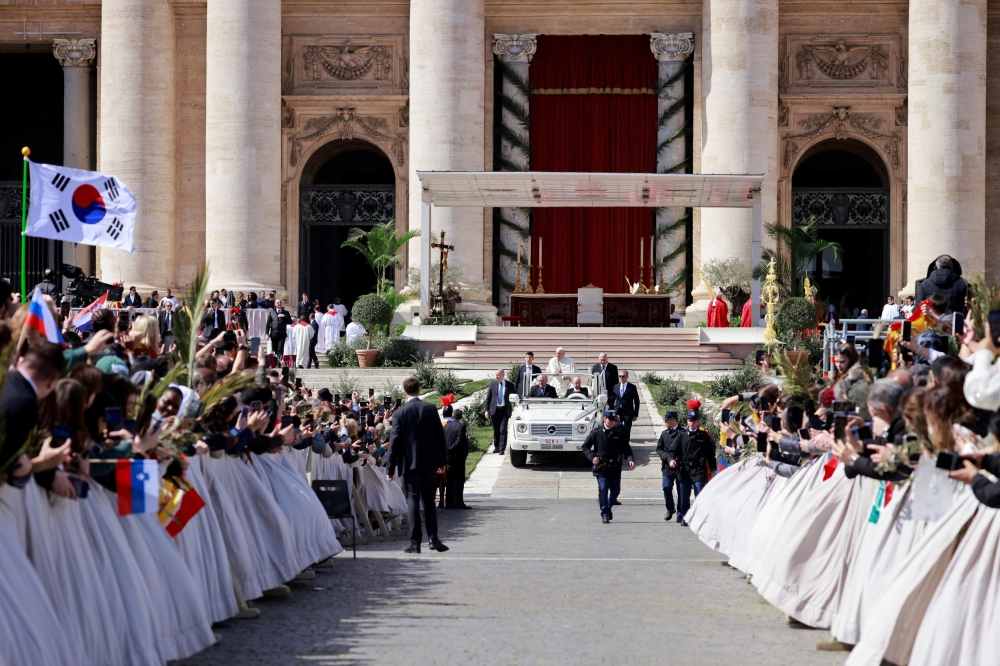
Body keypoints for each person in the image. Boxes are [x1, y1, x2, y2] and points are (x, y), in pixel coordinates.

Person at [387, 377, 449, 553]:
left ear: (404, 392)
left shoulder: (400, 413)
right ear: (419, 390)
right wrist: (442, 461)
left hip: (409, 462)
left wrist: (390, 469)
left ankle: (415, 542)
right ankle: (433, 539)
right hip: (429, 462)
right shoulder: (430, 408)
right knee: (429, 500)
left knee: (412, 500)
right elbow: (440, 437)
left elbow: (395, 442)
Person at [581, 409, 635, 523]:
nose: (612, 422)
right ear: (604, 419)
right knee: (604, 489)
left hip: (614, 466)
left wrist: (630, 459)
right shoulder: (597, 432)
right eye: (610, 420)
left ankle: (608, 507)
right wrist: (592, 457)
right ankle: (605, 513)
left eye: (614, 420)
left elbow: (626, 448)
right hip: (601, 466)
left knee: (616, 491)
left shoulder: (618, 432)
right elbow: (585, 447)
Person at [675, 399, 715, 526]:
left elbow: (710, 454)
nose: (691, 423)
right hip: (685, 470)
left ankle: (699, 517)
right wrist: (671, 460)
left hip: (698, 469)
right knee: (684, 496)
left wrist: (713, 470)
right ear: (687, 421)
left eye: (694, 421)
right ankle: (686, 517)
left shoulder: (704, 436)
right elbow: (673, 450)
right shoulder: (681, 435)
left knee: (699, 493)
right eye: (689, 420)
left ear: (698, 421)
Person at [655, 410, 681, 521]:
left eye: (667, 420)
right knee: (666, 487)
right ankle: (670, 509)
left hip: (680, 466)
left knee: (681, 490)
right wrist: (666, 457)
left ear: (673, 420)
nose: (665, 422)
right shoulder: (664, 434)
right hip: (667, 466)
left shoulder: (683, 433)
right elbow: (659, 449)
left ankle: (680, 512)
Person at [444, 408, 471, 509]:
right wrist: (451, 451)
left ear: (452, 416)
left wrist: (446, 452)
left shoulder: (446, 427)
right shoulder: (461, 426)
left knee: (450, 480)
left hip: (448, 458)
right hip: (457, 457)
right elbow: (459, 441)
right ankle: (459, 502)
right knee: (459, 480)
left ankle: (449, 502)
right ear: (461, 417)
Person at [484, 368, 516, 454]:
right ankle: (497, 447)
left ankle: (502, 448)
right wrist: (486, 411)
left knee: (503, 430)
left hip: (504, 411)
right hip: (494, 410)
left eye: (498, 375)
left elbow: (515, 397)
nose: (496, 377)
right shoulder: (493, 385)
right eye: (496, 375)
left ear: (503, 375)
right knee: (496, 430)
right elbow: (488, 399)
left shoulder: (510, 385)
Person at [609, 370, 640, 446]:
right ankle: (617, 444)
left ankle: (625, 445)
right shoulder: (616, 386)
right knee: (616, 428)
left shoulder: (632, 387)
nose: (621, 378)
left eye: (623, 376)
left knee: (626, 429)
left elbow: (637, 401)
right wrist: (612, 411)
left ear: (627, 377)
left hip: (628, 413)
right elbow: (612, 399)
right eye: (620, 376)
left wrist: (635, 414)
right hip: (617, 412)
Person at [266, 298, 292, 367]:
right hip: (273, 334)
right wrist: (267, 334)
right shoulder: (271, 313)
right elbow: (268, 324)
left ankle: (278, 364)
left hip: (282, 334)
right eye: (277, 302)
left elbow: (290, 322)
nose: (279, 303)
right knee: (274, 349)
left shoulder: (286, 312)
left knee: (280, 349)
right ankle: (275, 363)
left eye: (280, 302)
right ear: (275, 304)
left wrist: (284, 316)